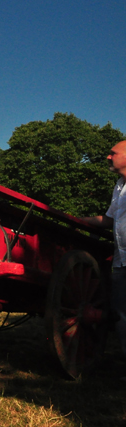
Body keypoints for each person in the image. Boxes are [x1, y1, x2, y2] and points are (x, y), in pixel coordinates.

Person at [78, 140, 126, 360]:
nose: (108, 156)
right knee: (121, 315)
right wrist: (76, 220)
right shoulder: (119, 186)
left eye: (113, 153)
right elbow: (108, 220)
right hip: (121, 260)